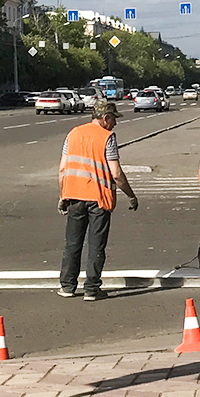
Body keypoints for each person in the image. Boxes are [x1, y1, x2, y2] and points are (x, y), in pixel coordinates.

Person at [56, 100, 139, 301]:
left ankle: (67, 286)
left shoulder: (73, 133)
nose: (115, 124)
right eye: (113, 119)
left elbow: (62, 169)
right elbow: (116, 174)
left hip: (74, 195)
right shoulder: (107, 137)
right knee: (96, 245)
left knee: (72, 243)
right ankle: (92, 289)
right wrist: (131, 195)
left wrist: (62, 196)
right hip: (98, 198)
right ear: (105, 118)